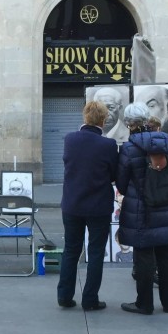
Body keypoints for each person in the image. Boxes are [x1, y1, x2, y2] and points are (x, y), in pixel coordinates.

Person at [116, 102, 168, 314]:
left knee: (144, 256)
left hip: (142, 210)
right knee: (165, 255)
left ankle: (144, 303)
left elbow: (121, 183)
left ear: (129, 124)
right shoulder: (167, 142)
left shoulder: (129, 148)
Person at [57, 101, 119, 310]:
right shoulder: (108, 145)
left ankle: (64, 296)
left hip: (72, 204)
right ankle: (90, 299)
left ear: (85, 117)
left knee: (71, 250)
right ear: (103, 120)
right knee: (95, 252)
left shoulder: (70, 139)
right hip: (98, 206)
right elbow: (113, 174)